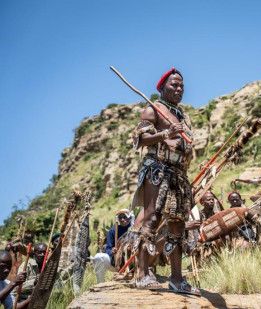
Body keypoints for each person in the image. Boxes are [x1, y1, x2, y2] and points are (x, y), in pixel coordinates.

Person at [131, 67, 199, 294]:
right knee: (151, 219)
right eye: (174, 85)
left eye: (181, 85)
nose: (179, 89)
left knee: (178, 224)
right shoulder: (153, 110)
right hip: (158, 169)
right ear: (162, 88)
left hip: (179, 173)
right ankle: (142, 275)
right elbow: (140, 140)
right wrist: (165, 134)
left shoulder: (183, 115)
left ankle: (176, 279)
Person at [93, 209, 134, 283]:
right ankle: (100, 284)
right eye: (120, 218)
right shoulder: (113, 231)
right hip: (115, 263)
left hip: (133, 264)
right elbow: (108, 249)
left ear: (130, 218)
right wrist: (111, 252)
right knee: (98, 257)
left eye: (124, 217)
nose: (122, 219)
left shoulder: (135, 229)